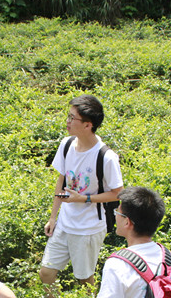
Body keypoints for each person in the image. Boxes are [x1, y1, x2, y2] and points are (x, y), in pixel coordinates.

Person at [40, 95, 123, 287]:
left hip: (89, 228)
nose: (67, 121)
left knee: (84, 279)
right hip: (64, 222)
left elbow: (118, 193)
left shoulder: (106, 157)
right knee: (46, 273)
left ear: (88, 125)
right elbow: (61, 180)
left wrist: (83, 198)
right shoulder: (67, 144)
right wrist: (53, 217)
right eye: (68, 116)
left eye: (72, 118)